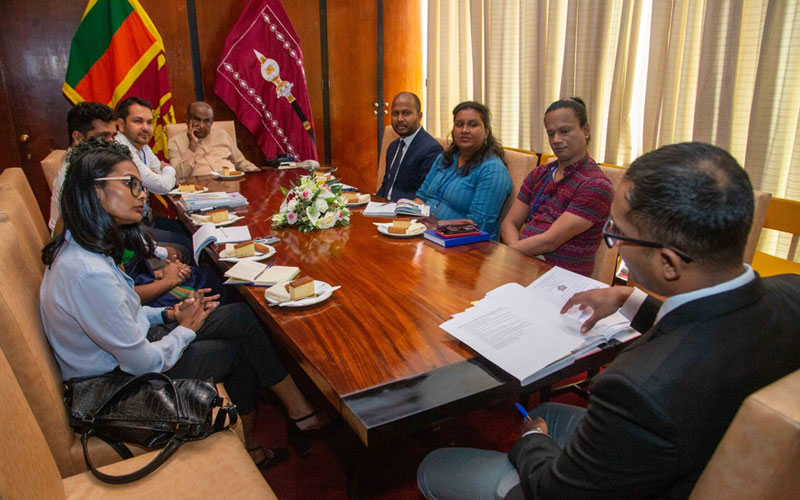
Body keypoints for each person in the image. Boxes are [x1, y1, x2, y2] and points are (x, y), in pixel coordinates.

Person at [417, 142, 800, 500]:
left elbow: (557, 492)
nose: (611, 241)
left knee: (434, 466)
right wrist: (629, 296)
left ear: (668, 261)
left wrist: (532, 442)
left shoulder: (636, 388)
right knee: (545, 411)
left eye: (616, 234)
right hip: (697, 449)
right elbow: (707, 327)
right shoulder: (791, 293)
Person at [40, 138, 334, 468]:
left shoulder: (86, 246)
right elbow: (143, 363)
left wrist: (167, 312)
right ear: (95, 192)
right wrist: (185, 328)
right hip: (118, 385)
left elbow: (125, 311)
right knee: (236, 350)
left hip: (125, 354)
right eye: (131, 184)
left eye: (140, 183)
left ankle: (296, 412)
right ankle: (254, 446)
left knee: (240, 315)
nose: (142, 193)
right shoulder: (87, 271)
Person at [500, 97, 612, 276]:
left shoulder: (595, 185)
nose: (556, 140)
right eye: (551, 133)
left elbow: (550, 242)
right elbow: (509, 222)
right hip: (524, 264)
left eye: (564, 131)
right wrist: (515, 256)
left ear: (586, 130)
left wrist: (509, 255)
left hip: (562, 280)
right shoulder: (539, 174)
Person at [414, 101, 512, 239]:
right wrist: (412, 222)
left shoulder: (493, 171)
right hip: (423, 233)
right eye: (459, 124)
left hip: (464, 247)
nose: (464, 130)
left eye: (473, 124)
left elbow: (477, 225)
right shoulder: (445, 158)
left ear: (486, 132)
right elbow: (422, 195)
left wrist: (436, 225)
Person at [115, 96, 192, 251]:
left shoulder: (143, 147)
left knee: (192, 232)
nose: (146, 127)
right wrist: (168, 169)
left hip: (144, 220)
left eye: (149, 122)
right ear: (121, 125)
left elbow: (163, 182)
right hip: (128, 228)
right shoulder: (121, 147)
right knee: (187, 244)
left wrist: (162, 173)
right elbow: (162, 185)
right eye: (138, 121)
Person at [48, 102, 117, 233]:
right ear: (78, 138)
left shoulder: (88, 161)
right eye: (103, 136)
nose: (112, 142)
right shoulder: (77, 174)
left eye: (113, 136)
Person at [376, 92, 443, 201]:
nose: (400, 119)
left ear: (419, 116)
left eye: (406, 113)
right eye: (395, 113)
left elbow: (426, 195)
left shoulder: (431, 149)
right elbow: (385, 186)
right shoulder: (393, 147)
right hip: (384, 209)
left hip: (407, 213)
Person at [168, 101, 260, 178]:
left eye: (206, 121)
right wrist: (192, 147)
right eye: (197, 120)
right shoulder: (175, 142)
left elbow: (241, 162)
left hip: (230, 187)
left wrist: (259, 174)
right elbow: (178, 175)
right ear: (187, 119)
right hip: (199, 192)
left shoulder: (222, 135)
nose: (201, 125)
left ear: (212, 122)